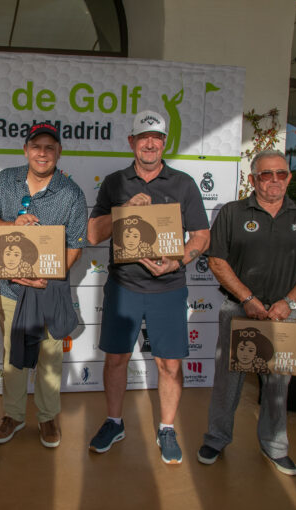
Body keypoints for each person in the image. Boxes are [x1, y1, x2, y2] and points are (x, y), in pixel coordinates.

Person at [197, 149, 296, 476]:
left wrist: (288, 302)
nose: (274, 180)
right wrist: (247, 299)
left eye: (281, 174)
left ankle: (275, 447)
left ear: (289, 177)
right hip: (240, 310)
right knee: (227, 381)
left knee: (277, 385)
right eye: (266, 174)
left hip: (284, 316)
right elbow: (217, 260)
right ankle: (216, 439)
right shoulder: (232, 212)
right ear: (253, 178)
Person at [87, 110, 210, 463]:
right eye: (143, 138)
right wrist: (124, 209)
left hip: (169, 287)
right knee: (115, 359)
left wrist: (180, 259)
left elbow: (201, 234)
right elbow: (94, 233)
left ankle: (167, 428)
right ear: (132, 142)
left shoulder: (183, 183)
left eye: (156, 137)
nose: (150, 143)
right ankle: (114, 421)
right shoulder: (115, 182)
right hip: (123, 286)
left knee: (170, 365)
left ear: (164, 142)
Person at [0, 122, 87, 448]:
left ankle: (47, 417)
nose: (43, 153)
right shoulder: (6, 181)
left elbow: (75, 245)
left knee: (50, 354)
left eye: (50, 147)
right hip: (13, 287)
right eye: (37, 146)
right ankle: (13, 415)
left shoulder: (72, 193)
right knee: (14, 354)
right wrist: (11, 224)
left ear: (59, 152)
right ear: (26, 150)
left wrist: (53, 273)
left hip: (50, 289)